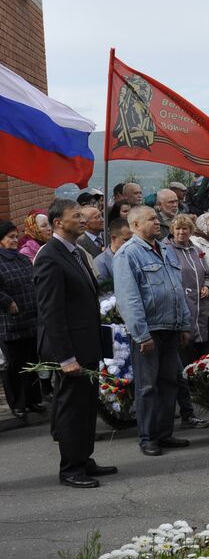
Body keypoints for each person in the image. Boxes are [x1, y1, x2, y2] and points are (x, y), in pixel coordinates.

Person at [33, 200, 113, 487]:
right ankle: (70, 468)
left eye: (82, 215)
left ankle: (84, 458)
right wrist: (65, 357)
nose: (82, 219)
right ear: (58, 223)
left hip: (87, 344)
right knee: (71, 409)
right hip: (69, 350)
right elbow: (51, 312)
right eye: (76, 216)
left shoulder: (76, 252)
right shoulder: (49, 256)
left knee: (87, 406)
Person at [112, 205, 192, 458]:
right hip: (149, 331)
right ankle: (147, 436)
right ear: (135, 225)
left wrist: (183, 324)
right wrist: (141, 334)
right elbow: (128, 298)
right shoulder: (128, 254)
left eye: (157, 218)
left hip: (171, 327)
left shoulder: (165, 250)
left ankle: (164, 433)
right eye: (151, 219)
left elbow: (176, 288)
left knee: (170, 382)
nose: (157, 222)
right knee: (147, 386)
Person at [164, 214, 209, 429]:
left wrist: (207, 285)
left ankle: (204, 405)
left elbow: (206, 273)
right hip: (183, 311)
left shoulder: (195, 250)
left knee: (202, 361)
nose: (182, 232)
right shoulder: (168, 250)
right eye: (178, 229)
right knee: (184, 365)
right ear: (173, 231)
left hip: (202, 311)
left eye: (185, 229)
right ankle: (187, 411)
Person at [0, 220, 41, 419]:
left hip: (31, 319)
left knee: (32, 362)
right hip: (11, 322)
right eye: (10, 237)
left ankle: (33, 400)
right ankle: (18, 403)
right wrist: (7, 301)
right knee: (15, 366)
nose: (15, 240)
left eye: (16, 236)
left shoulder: (22, 259)